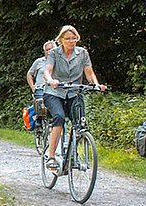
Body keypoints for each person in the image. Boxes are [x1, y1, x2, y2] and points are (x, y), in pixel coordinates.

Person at [43, 25, 107, 171]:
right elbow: (48, 70)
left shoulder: (82, 53)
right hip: (55, 92)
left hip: (74, 92)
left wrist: (96, 84)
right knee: (58, 117)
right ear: (61, 40)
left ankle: (74, 154)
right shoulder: (54, 53)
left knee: (80, 123)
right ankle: (51, 156)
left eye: (74, 38)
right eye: (67, 39)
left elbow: (89, 73)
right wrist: (51, 80)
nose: (71, 41)